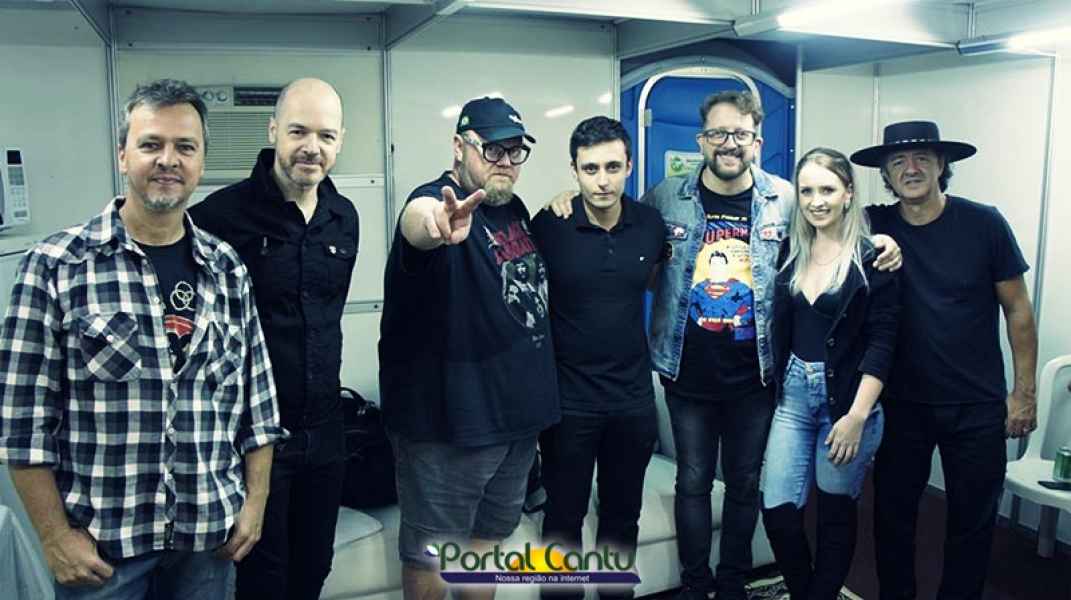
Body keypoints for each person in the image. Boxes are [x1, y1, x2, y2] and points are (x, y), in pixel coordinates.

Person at [546, 90, 900, 600]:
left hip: (756, 375)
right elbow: (616, 219)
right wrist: (566, 197)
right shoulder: (665, 198)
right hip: (685, 372)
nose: (728, 143)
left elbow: (834, 227)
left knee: (745, 483)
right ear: (701, 140)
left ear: (757, 139)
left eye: (740, 133)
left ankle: (731, 583)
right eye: (717, 133)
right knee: (692, 482)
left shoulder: (785, 198)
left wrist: (881, 240)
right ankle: (696, 585)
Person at [0, 79, 286, 599]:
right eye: (151, 144)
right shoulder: (56, 266)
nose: (168, 160)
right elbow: (21, 423)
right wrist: (54, 536)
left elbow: (258, 405)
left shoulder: (227, 269)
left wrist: (255, 503)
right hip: (104, 552)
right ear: (122, 155)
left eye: (185, 147)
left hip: (207, 542)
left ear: (201, 161)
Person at [378, 96, 559, 600]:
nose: (505, 161)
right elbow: (419, 224)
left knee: (486, 547)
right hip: (450, 428)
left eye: (515, 151)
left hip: (514, 425)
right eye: (492, 149)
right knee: (433, 556)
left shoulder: (512, 209)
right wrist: (435, 224)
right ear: (459, 147)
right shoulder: (438, 201)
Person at [851, 121, 1038, 600]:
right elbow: (814, 216)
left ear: (942, 166)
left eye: (922, 159)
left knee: (972, 522)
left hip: (975, 405)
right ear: (886, 175)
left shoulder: (984, 224)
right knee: (892, 517)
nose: (910, 169)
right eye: (898, 162)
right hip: (900, 403)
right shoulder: (870, 225)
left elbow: (1018, 310)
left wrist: (1024, 394)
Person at [188, 77, 357, 600]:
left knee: (314, 570)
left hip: (325, 434)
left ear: (340, 141)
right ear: (273, 131)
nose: (312, 147)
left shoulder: (343, 218)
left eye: (326, 136)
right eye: (298, 132)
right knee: (261, 581)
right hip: (251, 441)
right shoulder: (217, 217)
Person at [529, 116, 664, 600]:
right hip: (569, 402)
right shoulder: (550, 224)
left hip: (633, 400)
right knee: (563, 518)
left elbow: (656, 281)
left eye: (612, 167)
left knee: (623, 516)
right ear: (574, 170)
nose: (602, 180)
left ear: (629, 166)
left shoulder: (650, 225)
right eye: (590, 169)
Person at [761, 148, 900, 600]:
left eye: (827, 189)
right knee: (778, 511)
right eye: (806, 191)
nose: (816, 201)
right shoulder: (792, 250)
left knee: (835, 514)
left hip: (850, 403)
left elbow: (883, 343)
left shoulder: (872, 256)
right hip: (794, 398)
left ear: (848, 193)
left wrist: (857, 417)